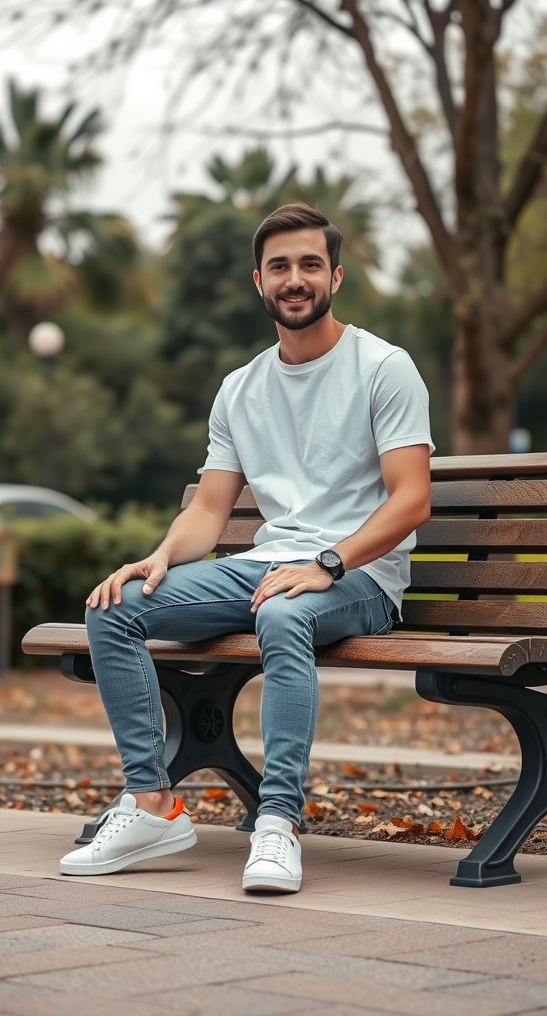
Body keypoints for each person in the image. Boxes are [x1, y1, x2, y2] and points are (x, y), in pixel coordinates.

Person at [60, 202, 434, 893]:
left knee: (283, 613)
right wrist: (162, 557)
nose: (296, 278)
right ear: (259, 281)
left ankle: (277, 824)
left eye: (310, 265)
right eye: (280, 266)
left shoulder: (384, 367)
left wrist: (326, 564)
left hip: (359, 577)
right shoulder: (240, 388)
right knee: (115, 608)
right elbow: (209, 506)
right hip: (265, 567)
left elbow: (411, 499)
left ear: (336, 276)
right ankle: (151, 804)